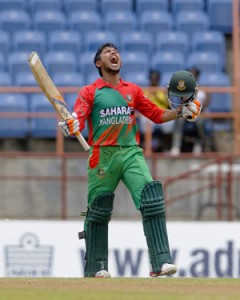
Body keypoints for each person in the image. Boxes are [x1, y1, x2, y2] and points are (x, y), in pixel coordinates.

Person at [58, 43, 201, 278]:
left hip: (131, 152)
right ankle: (96, 267)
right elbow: (79, 119)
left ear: (120, 62)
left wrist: (180, 112)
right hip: (102, 155)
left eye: (116, 52)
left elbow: (156, 114)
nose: (113, 54)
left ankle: (161, 262)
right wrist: (72, 123)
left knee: (151, 198)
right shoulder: (90, 91)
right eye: (107, 52)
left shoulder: (132, 90)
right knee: (98, 210)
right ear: (98, 63)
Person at [170, 68, 211, 155]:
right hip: (187, 110)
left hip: (201, 111)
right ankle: (176, 146)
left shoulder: (204, 88)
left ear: (198, 76)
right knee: (179, 121)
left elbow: (206, 103)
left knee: (200, 123)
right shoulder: (185, 88)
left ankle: (199, 145)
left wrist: (197, 109)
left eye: (194, 75)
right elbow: (183, 102)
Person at [141, 70, 175, 152]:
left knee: (169, 123)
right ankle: (147, 149)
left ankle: (167, 148)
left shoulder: (163, 90)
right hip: (149, 114)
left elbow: (170, 105)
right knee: (145, 121)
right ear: (149, 79)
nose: (154, 80)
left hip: (162, 113)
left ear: (159, 79)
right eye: (152, 78)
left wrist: (159, 96)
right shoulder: (145, 91)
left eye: (156, 79)